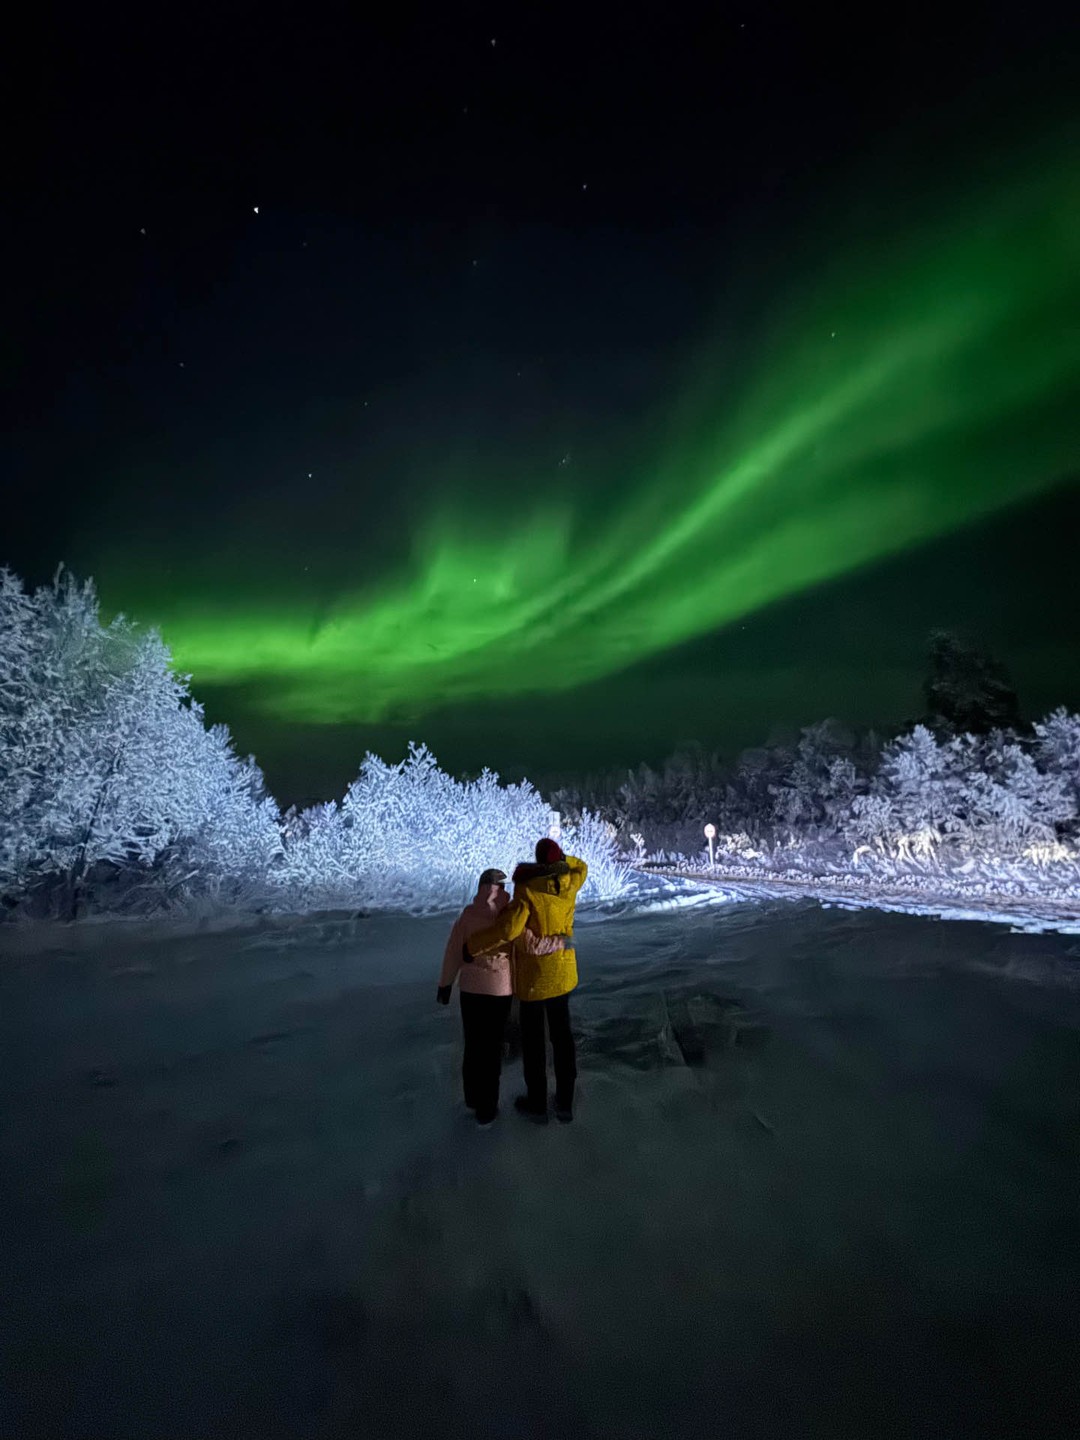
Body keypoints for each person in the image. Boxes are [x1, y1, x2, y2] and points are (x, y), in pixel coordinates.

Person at [465, 838, 588, 1124]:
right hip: (563, 973)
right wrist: (561, 860)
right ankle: (565, 1103)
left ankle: (537, 1104)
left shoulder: (528, 889)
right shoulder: (570, 883)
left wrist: (472, 945)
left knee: (534, 1044)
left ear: (537, 861)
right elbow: (581, 865)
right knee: (562, 1037)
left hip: (534, 980)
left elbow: (509, 930)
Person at [437, 868, 562, 1128]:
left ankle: (473, 1099)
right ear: (502, 888)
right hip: (499, 991)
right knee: (492, 1049)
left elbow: (453, 952)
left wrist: (445, 985)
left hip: (471, 990)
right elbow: (530, 944)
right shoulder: (510, 916)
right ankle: (488, 1109)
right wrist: (556, 943)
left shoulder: (468, 915)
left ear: (481, 887)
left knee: (473, 1045)